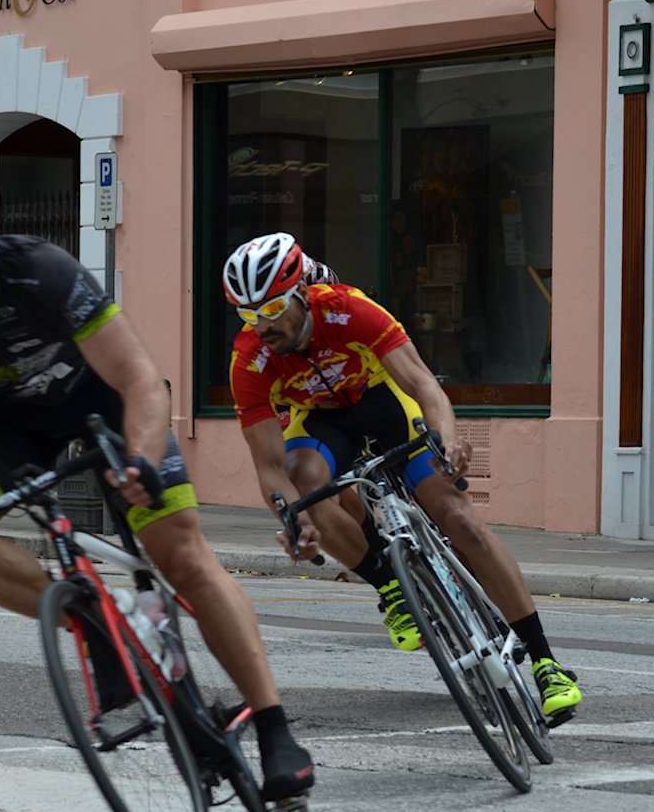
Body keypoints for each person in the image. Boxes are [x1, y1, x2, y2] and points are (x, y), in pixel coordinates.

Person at [0, 161, 315, 800]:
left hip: (99, 398)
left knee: (180, 554)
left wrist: (137, 462)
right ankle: (95, 623)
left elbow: (138, 378)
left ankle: (273, 727)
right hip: (3, 421)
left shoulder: (39, 272)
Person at [224, 232, 582, 722]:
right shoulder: (250, 358)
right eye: (247, 315)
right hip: (322, 421)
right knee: (302, 484)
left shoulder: (349, 309)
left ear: (302, 294)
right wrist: (293, 522)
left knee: (461, 519)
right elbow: (267, 465)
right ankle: (387, 582)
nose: (260, 326)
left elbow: (421, 383)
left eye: (271, 310)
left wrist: (448, 438)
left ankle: (546, 663)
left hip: (383, 401)